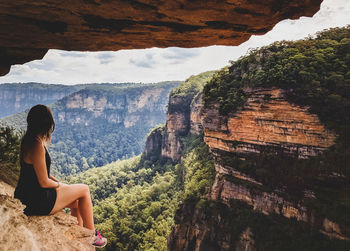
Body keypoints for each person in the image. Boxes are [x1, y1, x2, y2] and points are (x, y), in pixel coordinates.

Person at [14, 104, 107, 248]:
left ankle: (78, 233)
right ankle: (92, 236)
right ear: (47, 124)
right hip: (36, 201)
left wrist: (58, 182)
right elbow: (44, 182)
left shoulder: (28, 140)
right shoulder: (37, 145)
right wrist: (59, 186)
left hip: (26, 196)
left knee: (77, 203)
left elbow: (39, 171)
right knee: (84, 189)